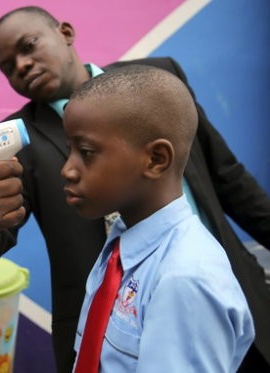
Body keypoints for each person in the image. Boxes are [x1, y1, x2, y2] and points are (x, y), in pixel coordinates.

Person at [0, 5, 270, 372]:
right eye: (8, 67)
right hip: (113, 340)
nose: (21, 66)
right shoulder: (18, 142)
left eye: (28, 45)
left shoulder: (158, 84)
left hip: (227, 300)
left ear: (65, 33)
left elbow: (229, 179)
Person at [63, 64, 254, 372]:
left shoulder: (185, 278)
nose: (67, 170)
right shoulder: (120, 247)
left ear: (155, 160)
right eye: (68, 149)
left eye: (85, 152)